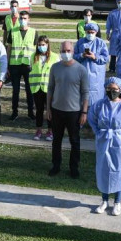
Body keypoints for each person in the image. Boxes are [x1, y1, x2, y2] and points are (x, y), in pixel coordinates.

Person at [88, 77, 121, 216]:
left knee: (118, 170)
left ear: (120, 90)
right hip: (103, 140)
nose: (112, 92)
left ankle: (117, 202)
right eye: (109, 89)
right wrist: (98, 133)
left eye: (115, 89)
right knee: (103, 169)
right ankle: (104, 200)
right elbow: (92, 119)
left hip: (119, 142)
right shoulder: (99, 105)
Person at [47, 41, 89, 178]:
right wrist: (48, 108)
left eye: (69, 50)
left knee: (74, 141)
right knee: (56, 140)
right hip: (57, 110)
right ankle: (56, 165)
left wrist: (84, 111)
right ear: (60, 51)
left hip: (74, 112)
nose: (66, 53)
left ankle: (74, 167)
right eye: (63, 51)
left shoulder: (81, 70)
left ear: (73, 51)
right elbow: (50, 89)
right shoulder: (55, 68)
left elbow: (85, 92)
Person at [7, 10, 36, 120]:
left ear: (29, 20)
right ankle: (14, 112)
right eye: (21, 18)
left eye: (25, 18)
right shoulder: (13, 32)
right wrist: (8, 65)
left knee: (29, 90)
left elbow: (36, 50)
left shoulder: (33, 32)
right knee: (15, 90)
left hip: (28, 66)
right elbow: (9, 48)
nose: (23, 20)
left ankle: (30, 112)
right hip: (15, 65)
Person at [74, 22, 110, 108]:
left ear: (96, 32)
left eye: (92, 32)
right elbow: (74, 56)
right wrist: (81, 55)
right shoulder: (80, 42)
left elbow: (106, 59)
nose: (90, 34)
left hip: (96, 77)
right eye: (88, 32)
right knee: (82, 97)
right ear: (85, 32)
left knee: (96, 100)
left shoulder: (101, 43)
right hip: (82, 74)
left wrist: (95, 57)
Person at [30, 35, 57, 141]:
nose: (41, 47)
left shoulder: (54, 57)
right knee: (39, 110)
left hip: (49, 88)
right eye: (39, 45)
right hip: (37, 88)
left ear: (47, 45)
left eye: (43, 45)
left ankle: (50, 131)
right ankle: (39, 130)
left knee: (50, 110)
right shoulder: (33, 56)